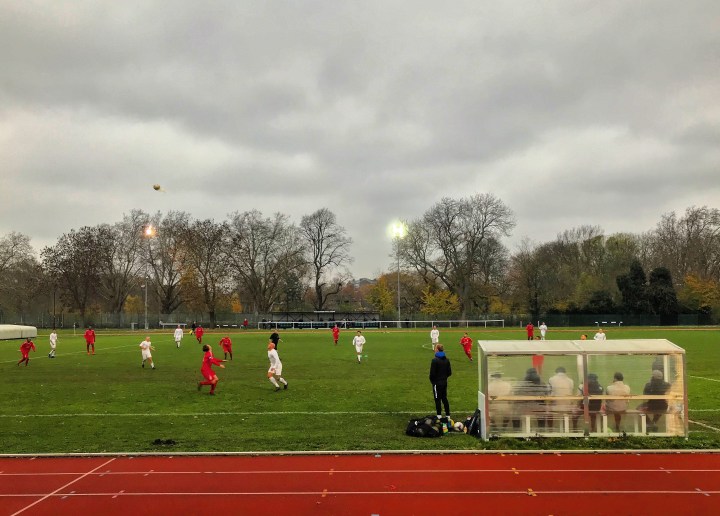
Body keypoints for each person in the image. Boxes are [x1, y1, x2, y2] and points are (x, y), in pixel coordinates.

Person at [429, 344, 452, 420]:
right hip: (444, 382)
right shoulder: (447, 360)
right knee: (444, 398)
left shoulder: (434, 360)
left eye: (435, 348)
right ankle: (448, 415)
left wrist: (433, 381)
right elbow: (449, 372)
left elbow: (432, 373)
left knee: (437, 399)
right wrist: (444, 378)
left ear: (437, 350)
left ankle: (439, 415)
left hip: (437, 383)